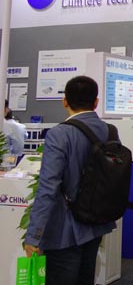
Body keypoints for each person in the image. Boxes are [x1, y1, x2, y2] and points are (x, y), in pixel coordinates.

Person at [23, 76, 117, 285]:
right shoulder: (109, 131)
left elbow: (48, 187)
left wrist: (34, 235)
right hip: (96, 222)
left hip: (64, 229)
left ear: (64, 101)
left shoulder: (59, 134)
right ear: (96, 102)